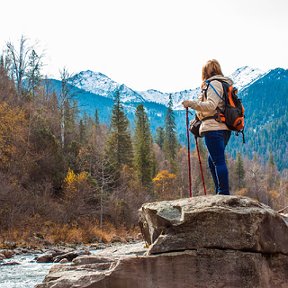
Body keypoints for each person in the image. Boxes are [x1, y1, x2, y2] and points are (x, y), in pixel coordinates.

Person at [182, 59, 232, 195]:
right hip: (224, 128)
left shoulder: (213, 84)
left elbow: (211, 105)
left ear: (205, 72)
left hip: (213, 128)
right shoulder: (224, 83)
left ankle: (223, 193)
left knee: (218, 161)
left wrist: (192, 104)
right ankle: (220, 191)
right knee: (212, 160)